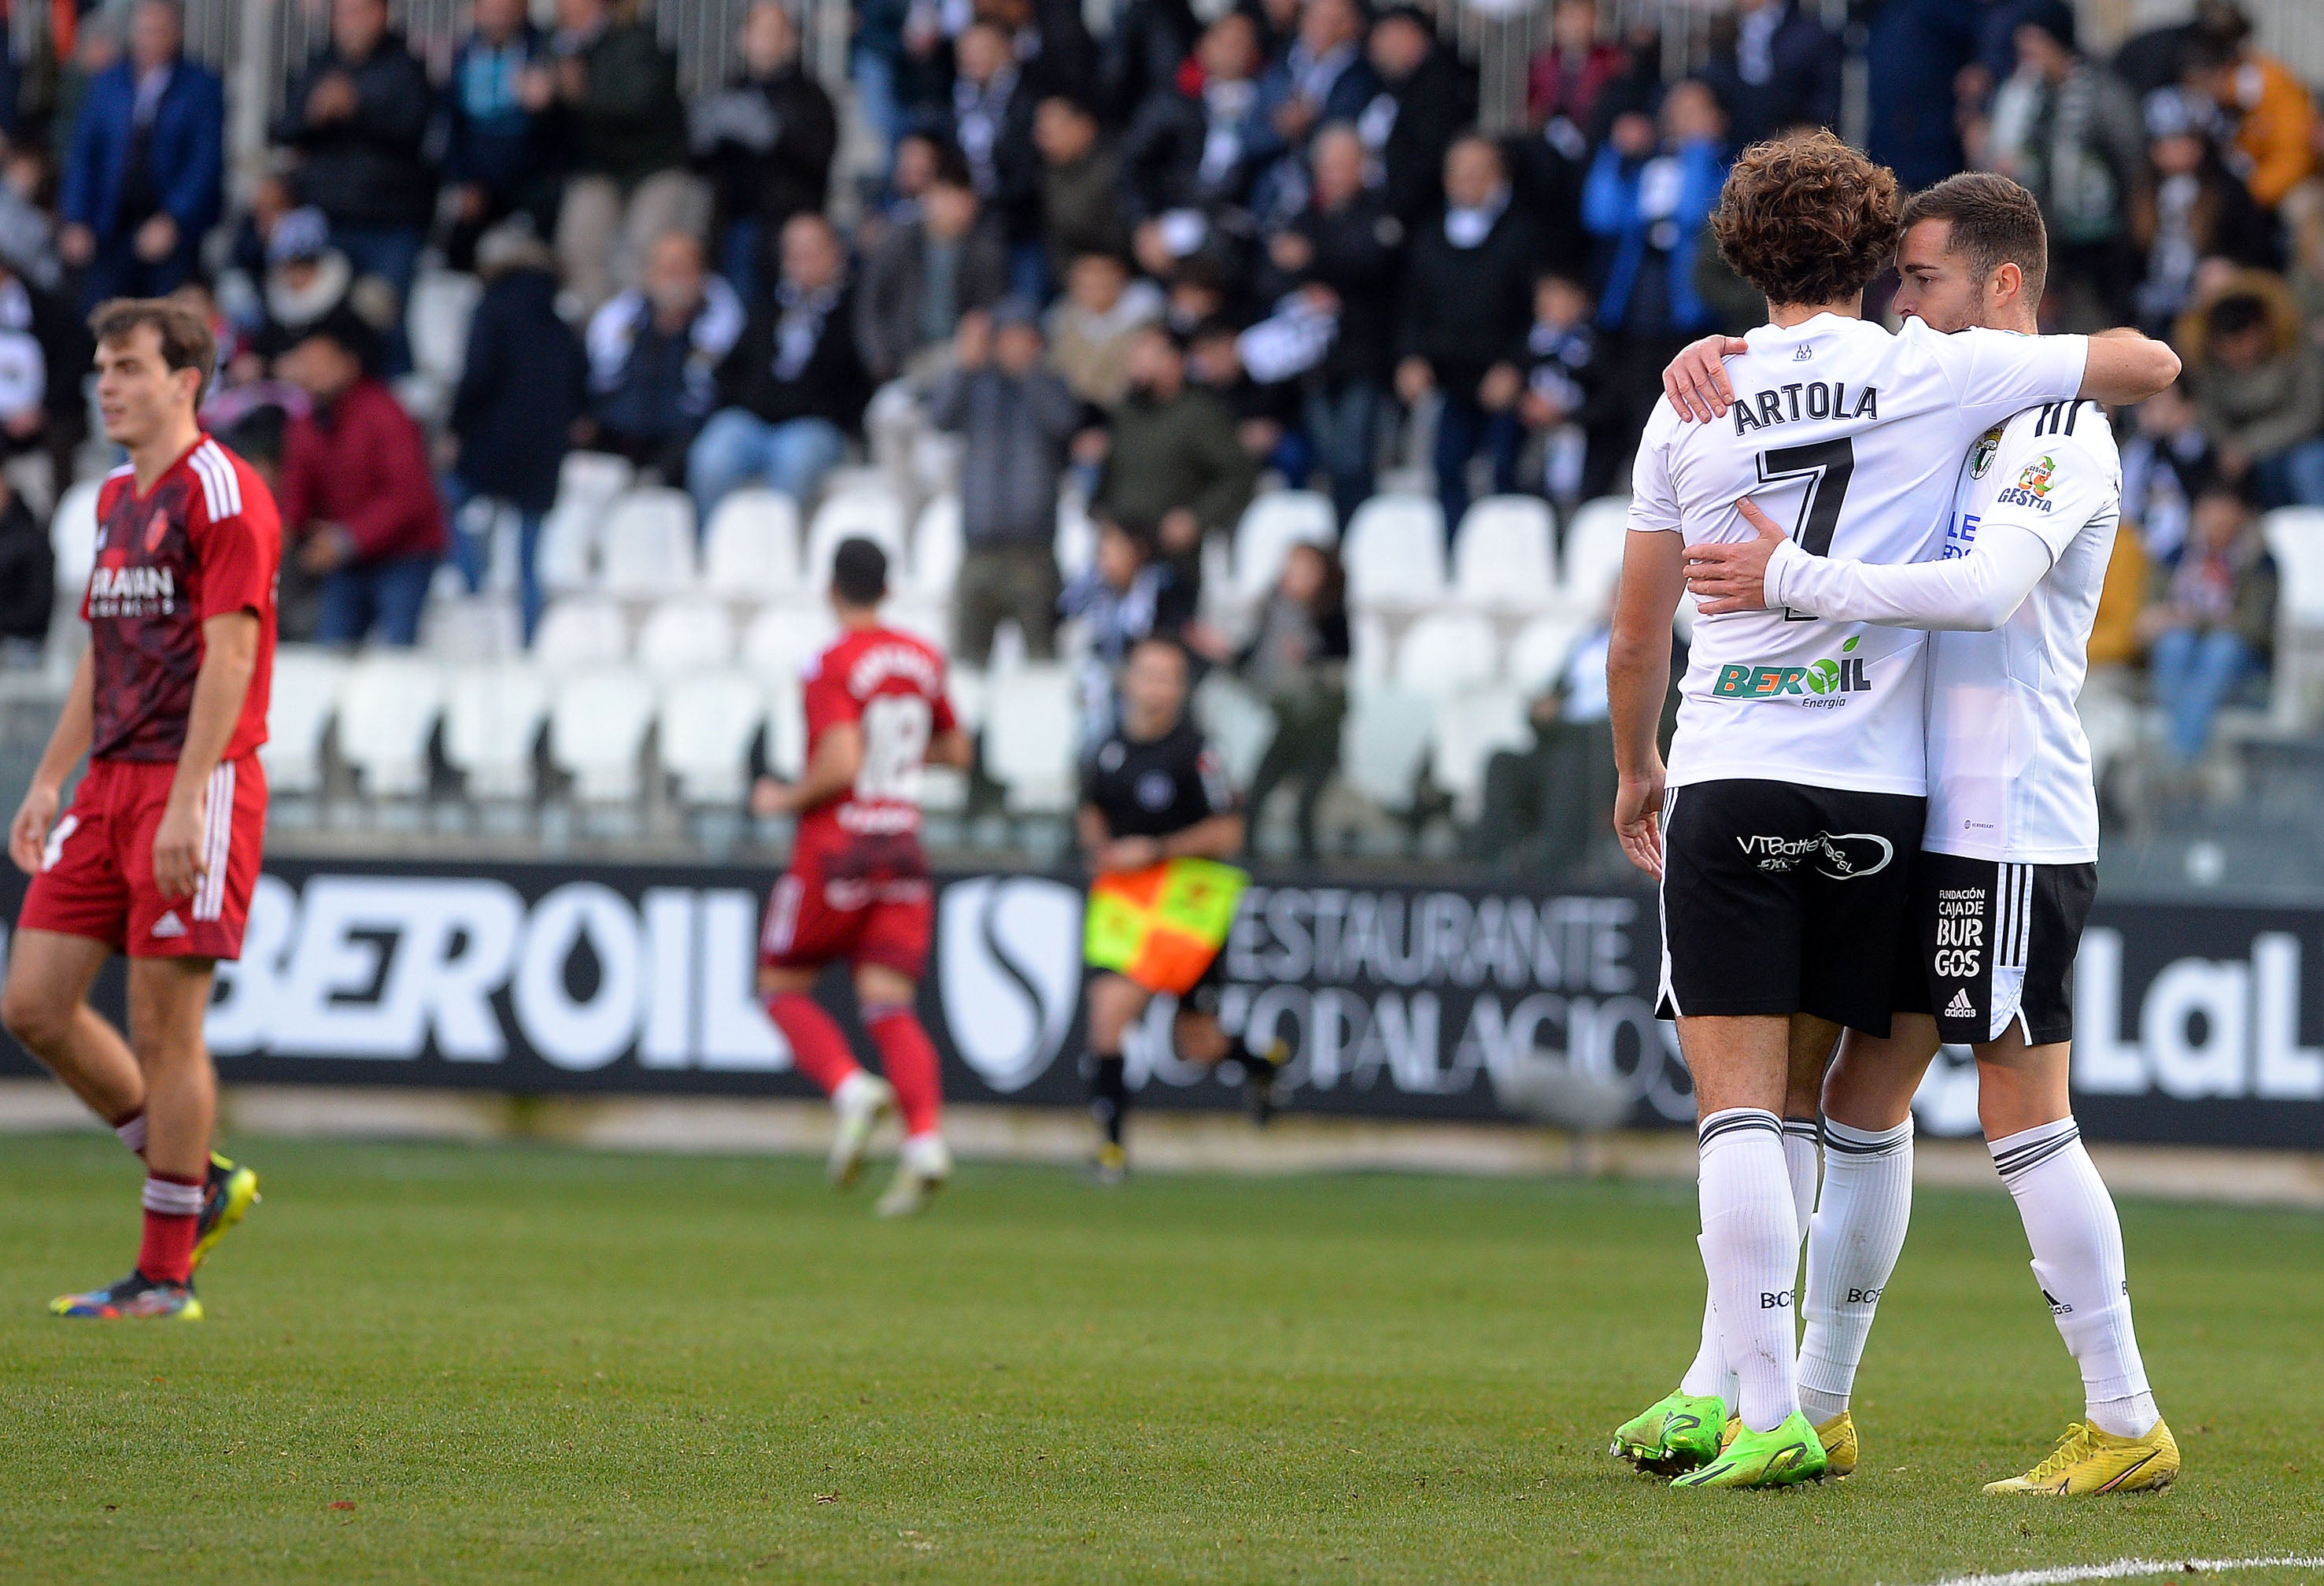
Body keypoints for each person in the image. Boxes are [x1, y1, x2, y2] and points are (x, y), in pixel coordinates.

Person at [1603, 131, 2178, 1489]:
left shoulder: (2044, 420)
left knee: (2013, 1111)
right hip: (1912, 807)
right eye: (1892, 275)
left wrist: (1791, 578)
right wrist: (1719, 355)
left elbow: (1983, 589)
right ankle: (1799, 1396)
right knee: (1850, 1100)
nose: (1906, 302)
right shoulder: (1933, 396)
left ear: (1998, 287)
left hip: (2009, 819)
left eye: (1925, 279)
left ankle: (2120, 1412)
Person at [2, 297, 276, 1321]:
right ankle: (193, 1179)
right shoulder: (115, 494)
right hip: (109, 780)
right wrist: (48, 776)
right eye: (101, 371)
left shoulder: (225, 493)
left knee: (166, 1028)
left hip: (189, 780)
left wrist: (190, 793)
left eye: (126, 368)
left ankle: (166, 1272)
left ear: (184, 380)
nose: (107, 385)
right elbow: (103, 652)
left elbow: (233, 654)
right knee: (32, 1001)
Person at [749, 538, 974, 1218]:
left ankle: (850, 1088)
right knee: (889, 1004)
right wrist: (898, 764)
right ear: (888, 588)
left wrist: (786, 797)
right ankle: (925, 1142)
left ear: (830, 588)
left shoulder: (830, 661)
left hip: (836, 846)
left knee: (779, 985)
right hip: (901, 844)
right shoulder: (923, 657)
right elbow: (957, 750)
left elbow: (842, 761)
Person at [1077, 636, 1284, 1181]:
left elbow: (1229, 831)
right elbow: (1091, 810)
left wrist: (1156, 849)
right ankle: (1111, 1151)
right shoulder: (1106, 746)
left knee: (1196, 1043)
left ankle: (1260, 1065)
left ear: (1179, 688)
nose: (1156, 686)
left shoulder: (1198, 751)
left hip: (1186, 900)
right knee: (1107, 1015)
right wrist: (1100, 848)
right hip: (1125, 897)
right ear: (1129, 680)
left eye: (1168, 676)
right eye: (1147, 673)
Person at [446, 227, 587, 645]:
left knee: (452, 497)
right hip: (545, 448)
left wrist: (457, 428)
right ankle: (528, 641)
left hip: (492, 441)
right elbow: (580, 383)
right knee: (529, 559)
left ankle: (474, 592)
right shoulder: (560, 321)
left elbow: (478, 375)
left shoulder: (492, 308)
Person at [275, 311, 449, 647]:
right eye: (307, 361)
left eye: (321, 361)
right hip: (348, 556)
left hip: (404, 552)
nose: (312, 371)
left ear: (349, 363)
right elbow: (298, 488)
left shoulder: (384, 413)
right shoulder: (306, 421)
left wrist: (347, 539)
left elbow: (408, 497)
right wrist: (279, 533)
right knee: (331, 646)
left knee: (395, 651)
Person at [1395, 135, 1537, 534]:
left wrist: (1516, 365)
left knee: (1504, 471)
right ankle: (1456, 553)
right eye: (1458, 174)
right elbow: (1410, 306)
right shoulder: (1428, 238)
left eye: (1477, 174)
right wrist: (1411, 357)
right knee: (1445, 467)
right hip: (1451, 381)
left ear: (1498, 178)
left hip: (1506, 381)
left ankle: (1508, 554)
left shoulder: (1523, 234)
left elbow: (1540, 314)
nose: (1466, 183)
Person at [689, 213, 870, 516]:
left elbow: (859, 379)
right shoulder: (767, 307)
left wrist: (829, 413)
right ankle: (709, 549)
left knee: (795, 460)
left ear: (835, 253)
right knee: (713, 455)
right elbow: (730, 369)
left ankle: (780, 552)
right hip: (754, 420)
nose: (801, 261)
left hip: (815, 424)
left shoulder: (854, 309)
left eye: (811, 251)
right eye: (794, 253)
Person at [270, 0, 435, 331]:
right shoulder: (320, 65)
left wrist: (358, 108)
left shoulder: (406, 67)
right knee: (322, 329)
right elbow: (281, 129)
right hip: (326, 221)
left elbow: (417, 130)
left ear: (383, 15)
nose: (352, 23)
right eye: (344, 14)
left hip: (388, 224)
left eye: (361, 12)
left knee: (381, 325)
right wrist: (312, 114)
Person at [1261, 122, 1397, 523]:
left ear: (1363, 166)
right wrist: (1300, 284)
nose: (1334, 174)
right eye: (1327, 165)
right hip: (1315, 363)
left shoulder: (1380, 211)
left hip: (1364, 359)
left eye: (1343, 164)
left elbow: (1375, 263)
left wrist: (1312, 261)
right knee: (1329, 459)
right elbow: (1272, 275)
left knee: (1356, 459)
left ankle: (1360, 542)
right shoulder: (1305, 216)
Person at [930, 301, 1078, 664]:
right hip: (978, 548)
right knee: (967, 662)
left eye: (1020, 338)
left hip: (1034, 553)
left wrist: (1029, 374)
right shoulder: (974, 384)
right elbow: (939, 418)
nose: (1010, 346)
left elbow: (1064, 424)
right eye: (1004, 337)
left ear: (1037, 343)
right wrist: (964, 364)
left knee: (1043, 660)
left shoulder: (1053, 384)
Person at [1985, 4, 2146, 325]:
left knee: (2103, 314)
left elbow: (2131, 159)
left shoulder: (2102, 93)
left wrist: (2137, 218)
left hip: (2104, 234)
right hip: (2056, 231)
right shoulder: (2037, 96)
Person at [57, 0, 224, 307]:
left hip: (170, 232)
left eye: (158, 32)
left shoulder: (201, 87)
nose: (149, 40)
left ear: (176, 35)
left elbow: (204, 163)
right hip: (110, 225)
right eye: (144, 32)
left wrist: (174, 219)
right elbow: (84, 154)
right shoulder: (107, 84)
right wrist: (76, 217)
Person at [547, 0, 707, 316]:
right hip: (599, 169)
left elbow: (639, 103)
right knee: (578, 243)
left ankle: (638, 330)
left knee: (646, 246)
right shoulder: (556, 47)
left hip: (655, 166)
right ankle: (600, 329)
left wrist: (583, 93)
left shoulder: (637, 42)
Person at [692, 0, 839, 302]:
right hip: (731, 222)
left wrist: (774, 135)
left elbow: (819, 158)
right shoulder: (729, 90)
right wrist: (702, 139)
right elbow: (700, 163)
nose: (765, 41)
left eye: (774, 32)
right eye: (758, 32)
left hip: (782, 226)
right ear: (743, 39)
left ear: (791, 41)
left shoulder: (811, 96)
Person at [582, 230, 745, 482]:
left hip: (678, 449)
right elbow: (598, 382)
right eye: (666, 268)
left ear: (702, 275)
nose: (674, 279)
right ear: (649, 274)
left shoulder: (727, 328)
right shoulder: (619, 319)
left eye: (683, 269)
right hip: (615, 437)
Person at [1091, 323, 1256, 563]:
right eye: (1133, 353)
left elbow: (1239, 476)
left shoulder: (1199, 414)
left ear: (1174, 360)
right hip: (1121, 552)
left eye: (1145, 353)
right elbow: (1110, 477)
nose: (1135, 362)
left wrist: (1196, 519)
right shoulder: (1126, 412)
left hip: (1172, 556)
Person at [2140, 481, 2277, 766]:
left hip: (2242, 659)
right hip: (2186, 648)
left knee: (2221, 649)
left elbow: (2257, 628)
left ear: (2239, 515)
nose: (2215, 519)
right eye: (2209, 510)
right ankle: (2179, 747)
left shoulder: (2258, 561)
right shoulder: (2177, 555)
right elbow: (2151, 613)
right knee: (2174, 644)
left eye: (2224, 510)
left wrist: (2191, 620)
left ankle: (2178, 757)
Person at [854, 152, 1009, 387]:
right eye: (948, 195)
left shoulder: (986, 250)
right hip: (904, 361)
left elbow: (993, 309)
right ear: (930, 195)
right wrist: (881, 361)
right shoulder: (897, 241)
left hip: (961, 362)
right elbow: (870, 306)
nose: (955, 207)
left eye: (963, 198)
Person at [1236, 539, 1347, 860]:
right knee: (1256, 798)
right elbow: (1251, 660)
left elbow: (1340, 664)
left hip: (1322, 729)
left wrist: (1310, 658)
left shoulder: (1330, 614)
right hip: (1286, 724)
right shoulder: (1274, 610)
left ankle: (1312, 876)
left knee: (1307, 807)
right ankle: (1249, 866)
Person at [2178, 275, 2324, 509]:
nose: (2237, 353)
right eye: (2227, 346)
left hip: (2306, 445)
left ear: (2263, 330)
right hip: (2245, 462)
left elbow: (2310, 414)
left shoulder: (2297, 351)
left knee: (2304, 466)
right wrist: (2230, 447)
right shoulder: (2210, 370)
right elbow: (2211, 418)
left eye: (2244, 341)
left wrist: (2248, 446)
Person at [440, 0, 553, 272]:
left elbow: (564, 134)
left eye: (506, 7)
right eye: (490, 7)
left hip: (533, 183)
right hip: (477, 181)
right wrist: (465, 180)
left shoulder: (545, 50)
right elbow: (453, 127)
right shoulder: (463, 54)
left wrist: (548, 106)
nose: (498, 16)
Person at [1362, 4, 1472, 229]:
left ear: (1409, 34)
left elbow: (1426, 157)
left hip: (1418, 215)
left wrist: (1394, 210)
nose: (1377, 49)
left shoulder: (1439, 87)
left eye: (1385, 38)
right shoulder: (1392, 84)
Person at [1700, 0, 1841, 148]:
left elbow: (1824, 107)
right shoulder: (1723, 29)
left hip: (1787, 143)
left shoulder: (1813, 37)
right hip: (1726, 143)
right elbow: (1711, 80)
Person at [1046, 250, 1162, 409]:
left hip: (1135, 410)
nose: (1095, 288)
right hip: (1076, 414)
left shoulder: (1147, 318)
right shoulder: (1062, 321)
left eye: (1101, 280)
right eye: (1087, 284)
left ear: (1119, 277)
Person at [1035, 96, 1130, 290]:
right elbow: (1057, 240)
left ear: (1085, 126)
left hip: (1121, 278)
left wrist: (1099, 271)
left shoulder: (1115, 169)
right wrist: (1072, 281)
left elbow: (1124, 233)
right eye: (1042, 131)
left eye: (1054, 130)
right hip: (1077, 284)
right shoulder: (1049, 176)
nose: (1044, 139)